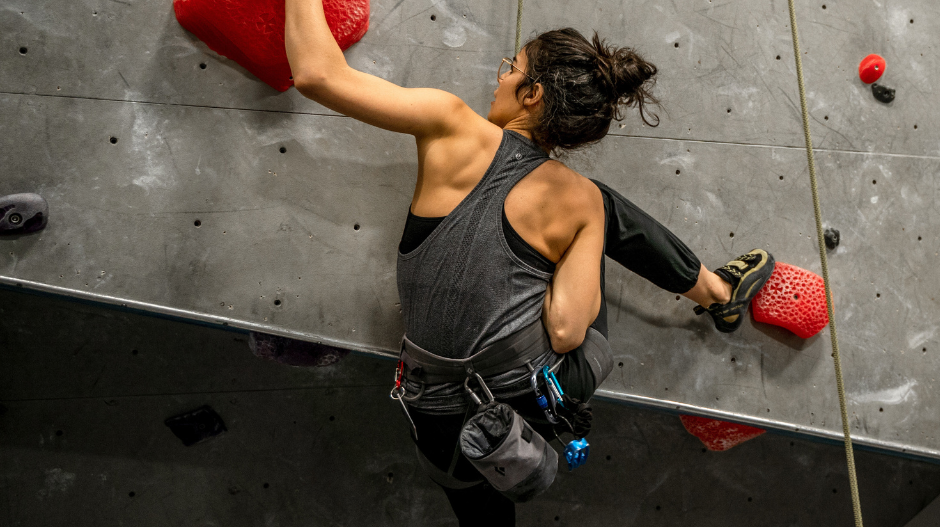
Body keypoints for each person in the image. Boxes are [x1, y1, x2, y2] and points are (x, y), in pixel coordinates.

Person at [285, 2, 774, 524]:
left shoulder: (449, 124)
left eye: (510, 69)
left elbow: (316, 74)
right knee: (593, 208)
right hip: (530, 396)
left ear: (532, 93)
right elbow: (566, 333)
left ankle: (711, 292)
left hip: (434, 411)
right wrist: (558, 246)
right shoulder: (578, 197)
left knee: (475, 504)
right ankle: (717, 294)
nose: (499, 79)